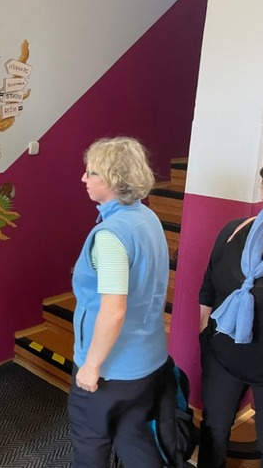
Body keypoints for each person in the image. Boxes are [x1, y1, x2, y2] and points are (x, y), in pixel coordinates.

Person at [67, 137, 169, 468]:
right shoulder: (147, 217)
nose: (84, 178)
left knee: (91, 445)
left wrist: (91, 366)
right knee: (133, 438)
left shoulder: (112, 236)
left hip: (112, 370)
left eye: (92, 172)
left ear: (114, 180)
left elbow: (113, 312)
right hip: (147, 363)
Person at [197, 160, 263, 468]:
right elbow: (208, 287)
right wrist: (205, 332)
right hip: (222, 357)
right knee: (213, 431)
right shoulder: (234, 231)